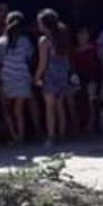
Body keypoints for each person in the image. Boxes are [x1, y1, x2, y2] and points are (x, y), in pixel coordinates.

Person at [0, 11, 34, 145]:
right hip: (22, 78)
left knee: (6, 111)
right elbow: (29, 60)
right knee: (19, 112)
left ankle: (13, 135)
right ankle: (21, 137)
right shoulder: (26, 42)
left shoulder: (0, 42)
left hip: (6, 79)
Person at [35, 8, 73, 147]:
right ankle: (62, 134)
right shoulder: (63, 37)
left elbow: (43, 62)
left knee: (49, 108)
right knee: (60, 106)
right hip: (62, 74)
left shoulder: (44, 41)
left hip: (50, 76)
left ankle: (51, 137)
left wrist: (37, 76)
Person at [73, 26, 102, 133]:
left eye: (85, 33)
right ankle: (76, 124)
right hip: (78, 78)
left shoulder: (95, 47)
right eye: (80, 34)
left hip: (92, 77)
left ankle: (92, 122)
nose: (83, 36)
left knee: (92, 98)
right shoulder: (73, 50)